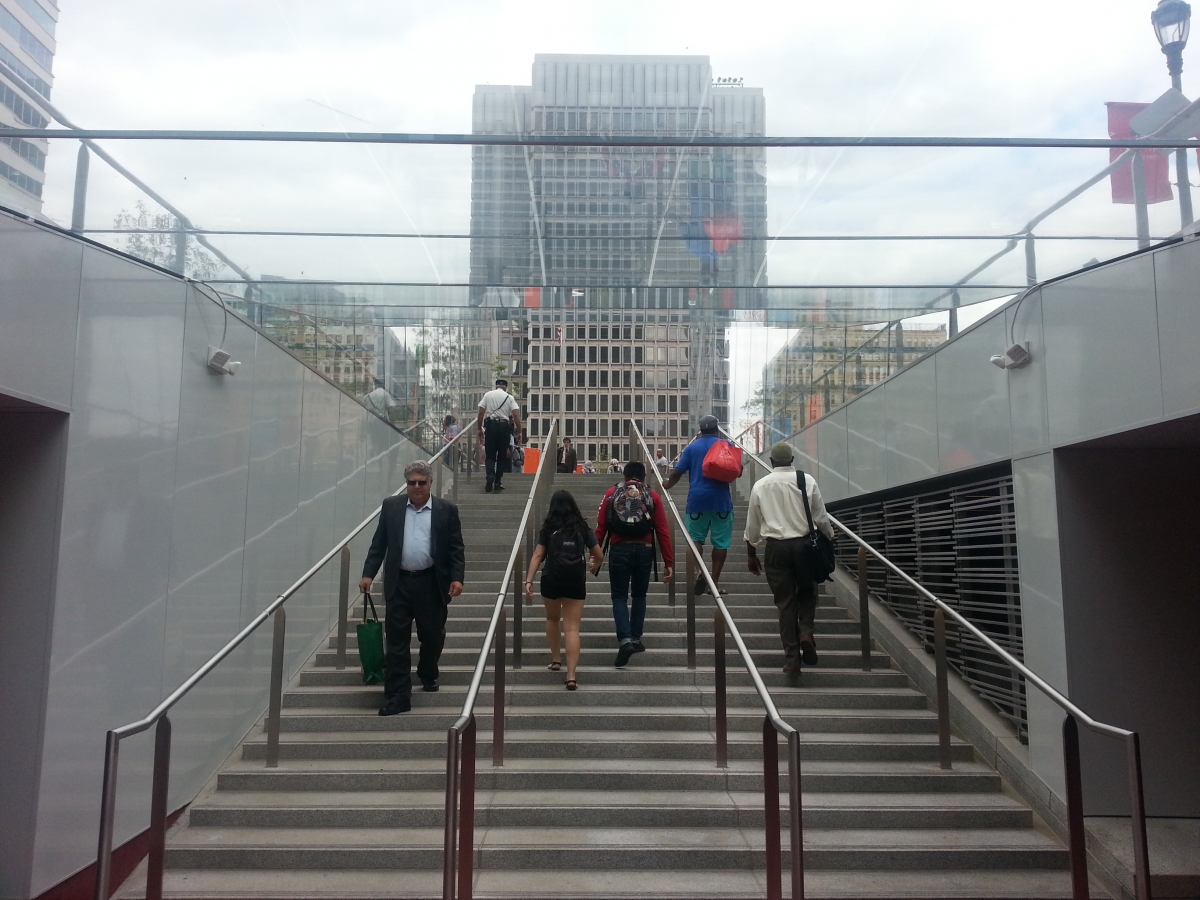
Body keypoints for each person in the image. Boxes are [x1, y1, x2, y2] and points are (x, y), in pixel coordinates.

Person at [359, 461, 466, 715]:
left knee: (432, 635)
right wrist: (368, 574)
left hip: (431, 583)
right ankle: (398, 695)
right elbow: (379, 543)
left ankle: (427, 670)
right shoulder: (392, 507)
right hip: (400, 582)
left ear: (430, 484)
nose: (416, 487)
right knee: (396, 641)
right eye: (411, 482)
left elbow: (455, 548)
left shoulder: (446, 510)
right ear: (406, 484)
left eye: (421, 482)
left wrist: (457, 578)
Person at [744, 442, 834, 673]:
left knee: (785, 603)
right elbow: (821, 517)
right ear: (792, 460)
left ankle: (792, 660)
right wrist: (829, 537)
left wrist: (752, 553)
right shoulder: (807, 481)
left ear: (772, 462)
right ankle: (806, 631)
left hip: (776, 548)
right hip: (805, 545)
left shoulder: (761, 485)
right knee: (807, 592)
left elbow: (753, 524)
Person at [594, 461, 675, 667]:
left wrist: (594, 554)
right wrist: (668, 561)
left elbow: (601, 525)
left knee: (619, 596)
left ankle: (625, 640)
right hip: (645, 549)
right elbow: (663, 530)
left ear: (624, 476)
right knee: (640, 595)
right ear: (644, 477)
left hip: (619, 548)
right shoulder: (652, 495)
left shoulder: (612, 493)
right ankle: (636, 639)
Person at [524, 490, 604, 690]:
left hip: (551, 577)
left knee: (552, 618)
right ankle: (571, 675)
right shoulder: (582, 527)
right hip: (575, 579)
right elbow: (599, 554)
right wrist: (594, 566)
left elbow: (537, 555)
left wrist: (528, 580)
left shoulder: (548, 528)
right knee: (572, 628)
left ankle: (556, 659)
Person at [662, 415, 741, 596]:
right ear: (716, 429)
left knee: (695, 539)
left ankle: (700, 571)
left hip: (697, 500)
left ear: (700, 429)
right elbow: (739, 471)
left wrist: (667, 485)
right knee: (721, 543)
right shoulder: (726, 445)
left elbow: (677, 473)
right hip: (722, 501)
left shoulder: (692, 447)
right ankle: (713, 584)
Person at [475, 378, 521, 493]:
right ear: (506, 387)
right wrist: (519, 431)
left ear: (496, 386)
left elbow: (480, 413)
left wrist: (479, 428)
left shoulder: (488, 395)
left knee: (490, 455)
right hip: (504, 427)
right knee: (502, 456)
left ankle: (490, 475)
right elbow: (515, 415)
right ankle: (498, 482)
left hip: (491, 426)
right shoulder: (509, 397)